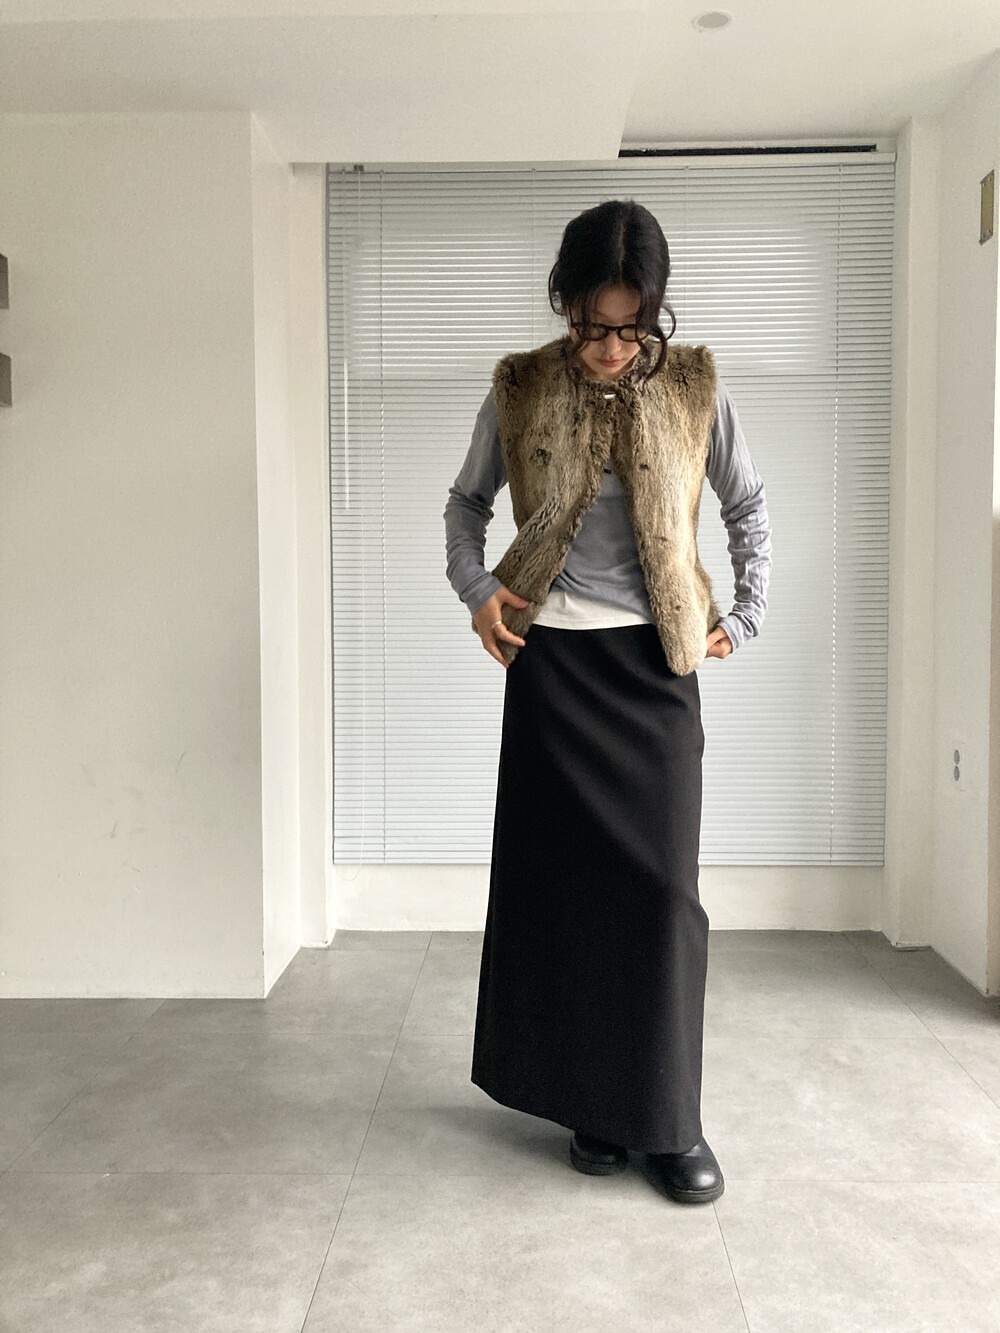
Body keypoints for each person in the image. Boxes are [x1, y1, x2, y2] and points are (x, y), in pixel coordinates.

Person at [443, 199, 772, 1205]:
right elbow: (465, 505)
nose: (611, 348)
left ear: (656, 316)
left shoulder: (695, 388)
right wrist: (478, 590)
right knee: (570, 898)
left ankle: (669, 1122)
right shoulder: (520, 386)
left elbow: (747, 502)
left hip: (654, 670)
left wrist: (746, 611)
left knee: (664, 899)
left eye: (632, 328)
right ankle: (594, 1103)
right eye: (592, 325)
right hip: (552, 671)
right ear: (565, 305)